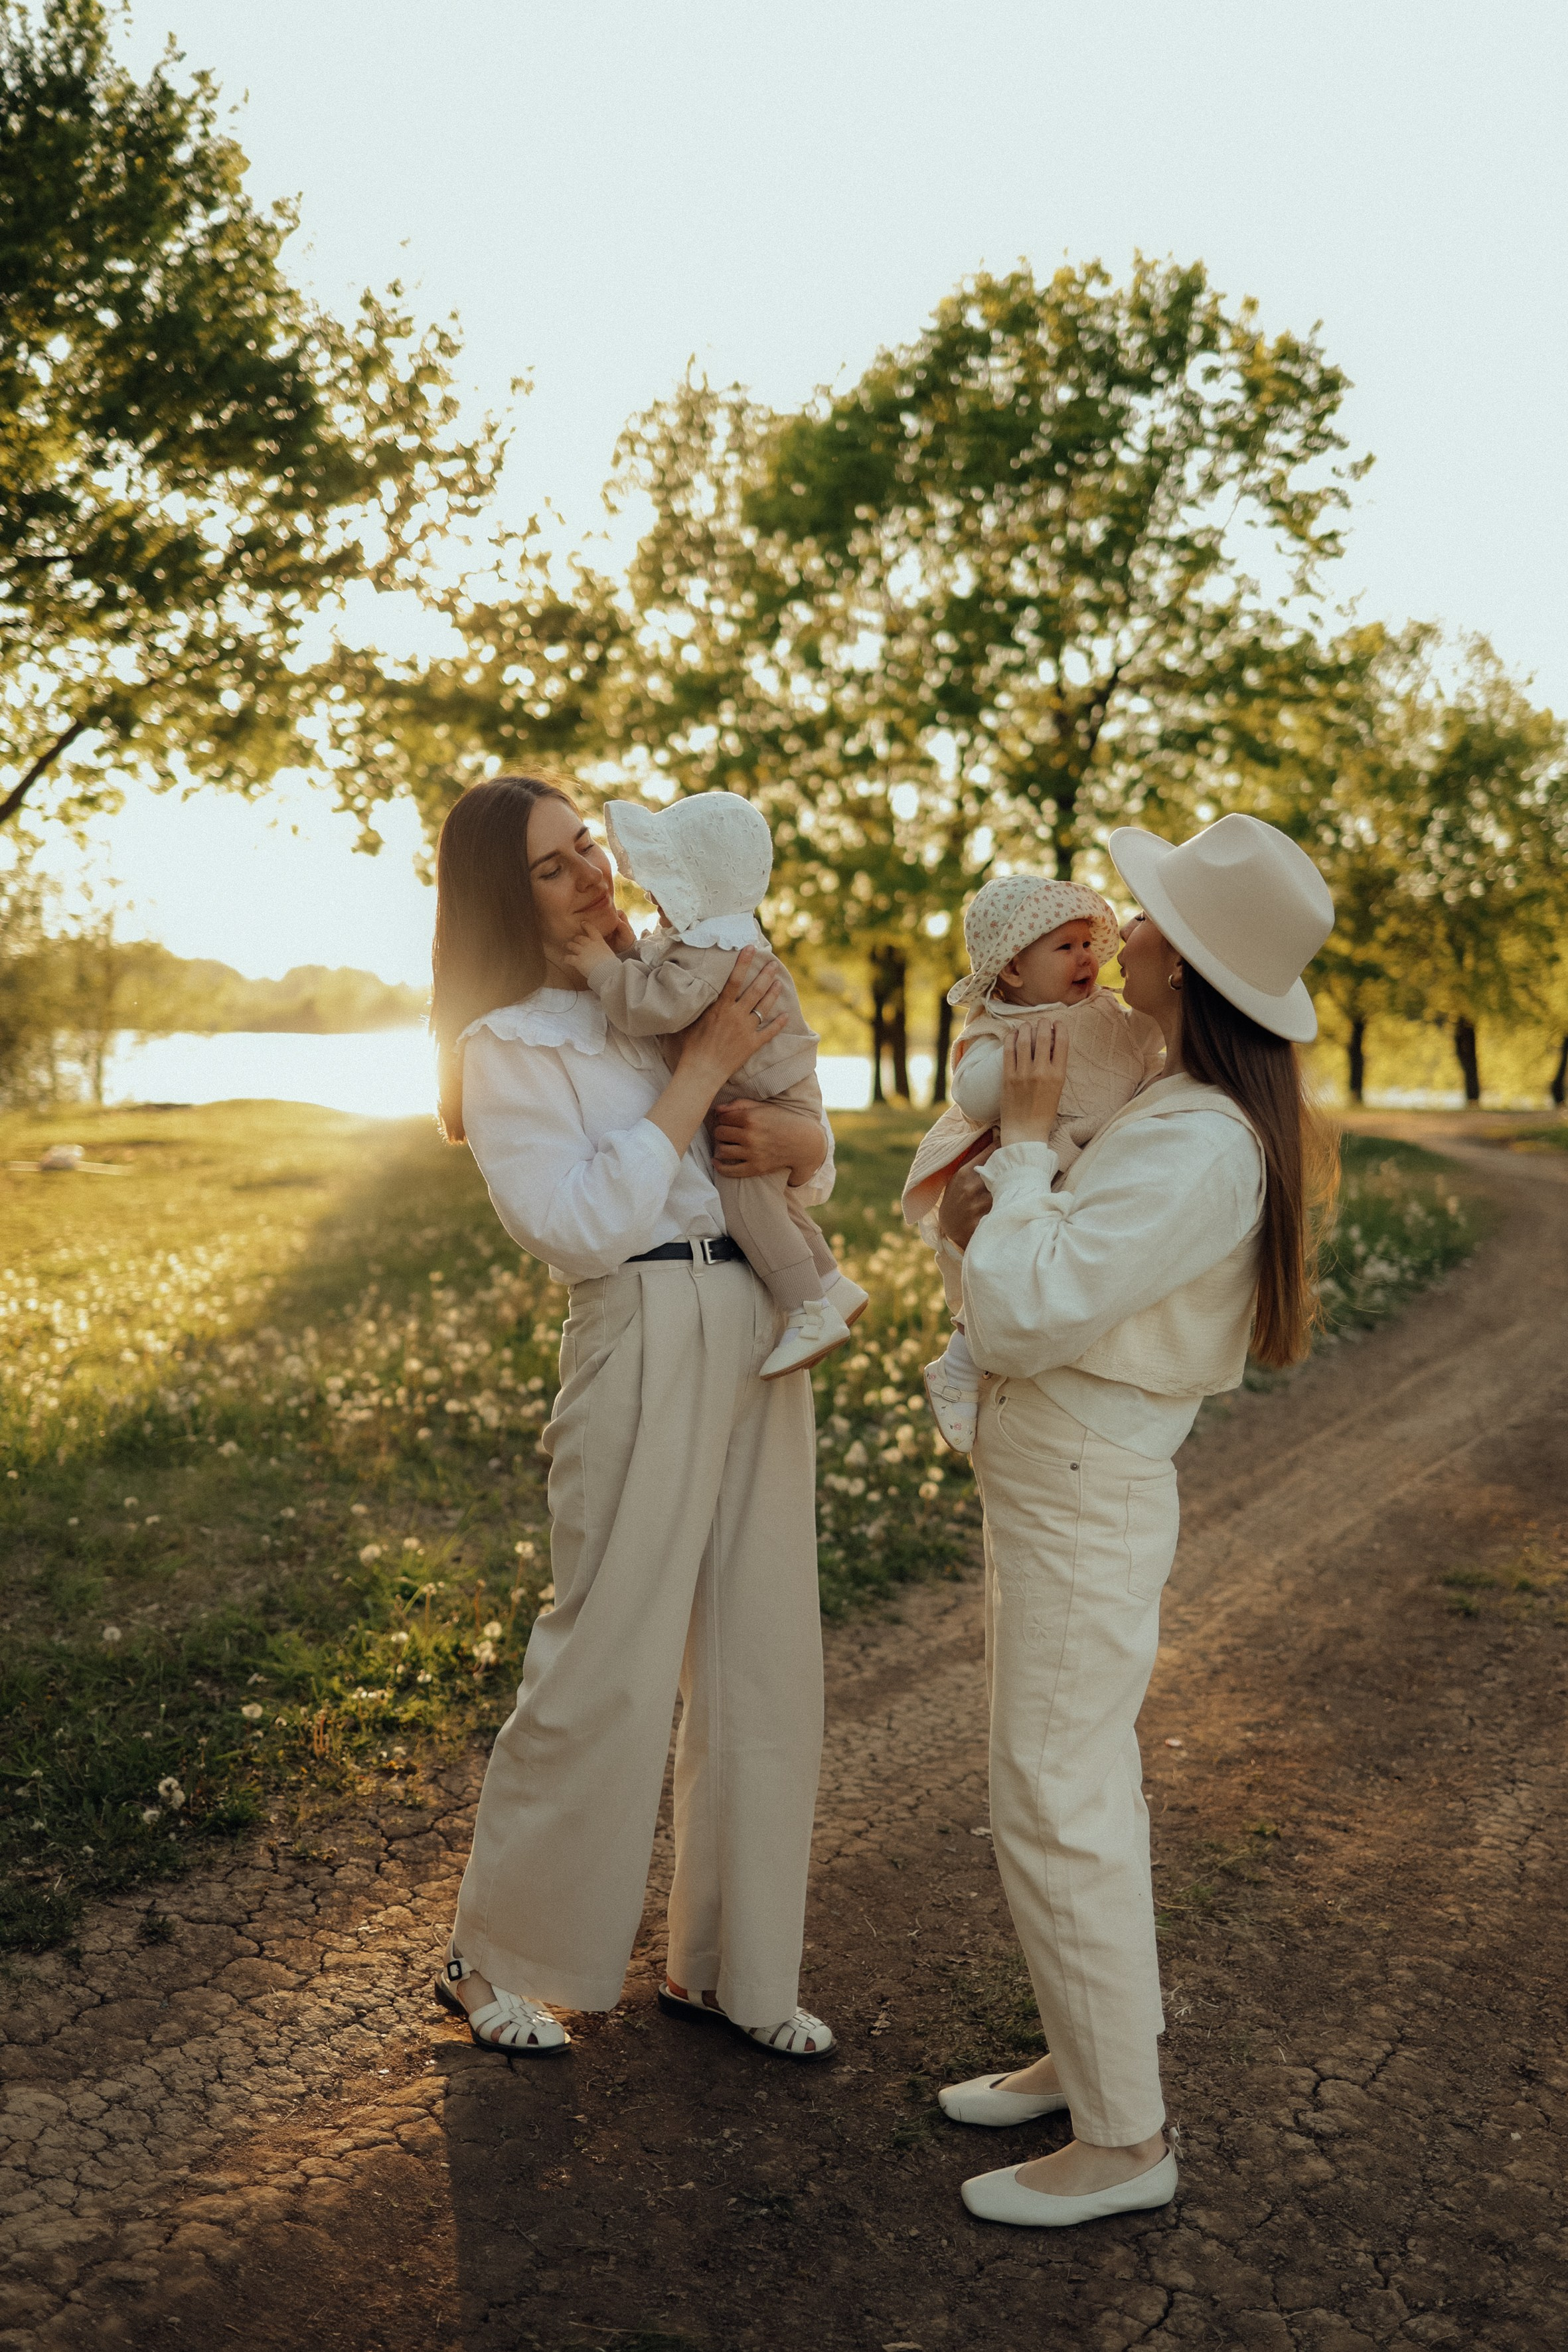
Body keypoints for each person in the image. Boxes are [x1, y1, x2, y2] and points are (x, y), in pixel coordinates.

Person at [933, 813, 1337, 2227]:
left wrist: (1029, 1151)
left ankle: (1122, 2137)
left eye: (1154, 921)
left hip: (1087, 1481)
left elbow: (1026, 1307)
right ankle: (1082, 2047)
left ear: (1195, 971)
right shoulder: (1164, 1098)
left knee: (1056, 1793)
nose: (1126, 933)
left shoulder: (1199, 1144)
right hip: (1059, 1474)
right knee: (1058, 1774)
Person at [429, 773, 838, 2063]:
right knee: (603, 1651)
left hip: (757, 1324)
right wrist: (702, 1069)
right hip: (642, 1324)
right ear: (508, 896)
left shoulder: (675, 967)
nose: (591, 871)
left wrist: (782, 1135)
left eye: (587, 844)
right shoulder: (501, 1047)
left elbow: (790, 1143)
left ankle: (730, 1967)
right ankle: (493, 1955)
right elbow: (582, 1226)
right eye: (553, 865)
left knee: (762, 1652)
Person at [564, 790, 866, 1379]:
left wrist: (601, 965)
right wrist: (630, 948)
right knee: (772, 1200)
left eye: (664, 884)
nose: (651, 897)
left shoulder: (713, 950)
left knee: (746, 1198)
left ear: (697, 887)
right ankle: (830, 1283)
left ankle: (809, 1309)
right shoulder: (718, 942)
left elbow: (655, 1009)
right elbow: (667, 982)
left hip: (767, 1099)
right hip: (777, 1092)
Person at [902, 876, 1164, 1452]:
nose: (1087, 957)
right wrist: (1017, 1069)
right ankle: (960, 1365)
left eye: (1087, 944)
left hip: (1090, 1153)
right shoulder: (1000, 1024)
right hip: (1034, 1159)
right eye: (1065, 947)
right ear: (1014, 971)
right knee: (1007, 1256)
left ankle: (991, 1361)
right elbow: (971, 1095)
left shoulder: (1108, 1010)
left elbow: (1150, 1051)